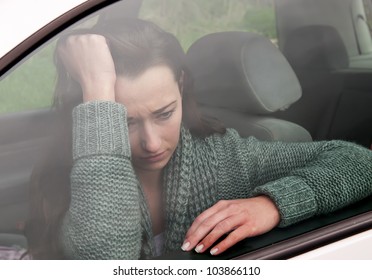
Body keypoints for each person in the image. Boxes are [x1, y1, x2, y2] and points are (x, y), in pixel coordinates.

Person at [26, 18, 372, 260]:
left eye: (164, 114)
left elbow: (360, 163)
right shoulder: (75, 176)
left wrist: (273, 204)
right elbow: (108, 262)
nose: (151, 142)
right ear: (94, 113)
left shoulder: (224, 158)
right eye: (124, 121)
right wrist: (100, 89)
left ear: (181, 85)